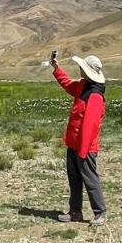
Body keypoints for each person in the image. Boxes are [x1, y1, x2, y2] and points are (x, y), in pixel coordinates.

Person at [51, 54, 108, 227]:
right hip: (74, 143)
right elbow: (69, 85)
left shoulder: (95, 96)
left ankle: (100, 212)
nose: (80, 69)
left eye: (82, 67)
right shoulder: (83, 86)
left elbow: (90, 126)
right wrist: (56, 68)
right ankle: (75, 211)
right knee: (74, 179)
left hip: (85, 147)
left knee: (90, 179)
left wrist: (82, 151)